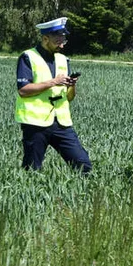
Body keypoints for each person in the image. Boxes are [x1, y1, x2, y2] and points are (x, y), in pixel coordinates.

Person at [15, 17, 92, 173]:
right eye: (58, 39)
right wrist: (53, 82)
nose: (62, 43)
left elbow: (69, 98)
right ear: (45, 38)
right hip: (35, 123)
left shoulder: (63, 59)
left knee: (83, 165)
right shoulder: (28, 57)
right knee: (32, 170)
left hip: (61, 123)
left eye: (64, 38)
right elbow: (23, 90)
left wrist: (72, 85)